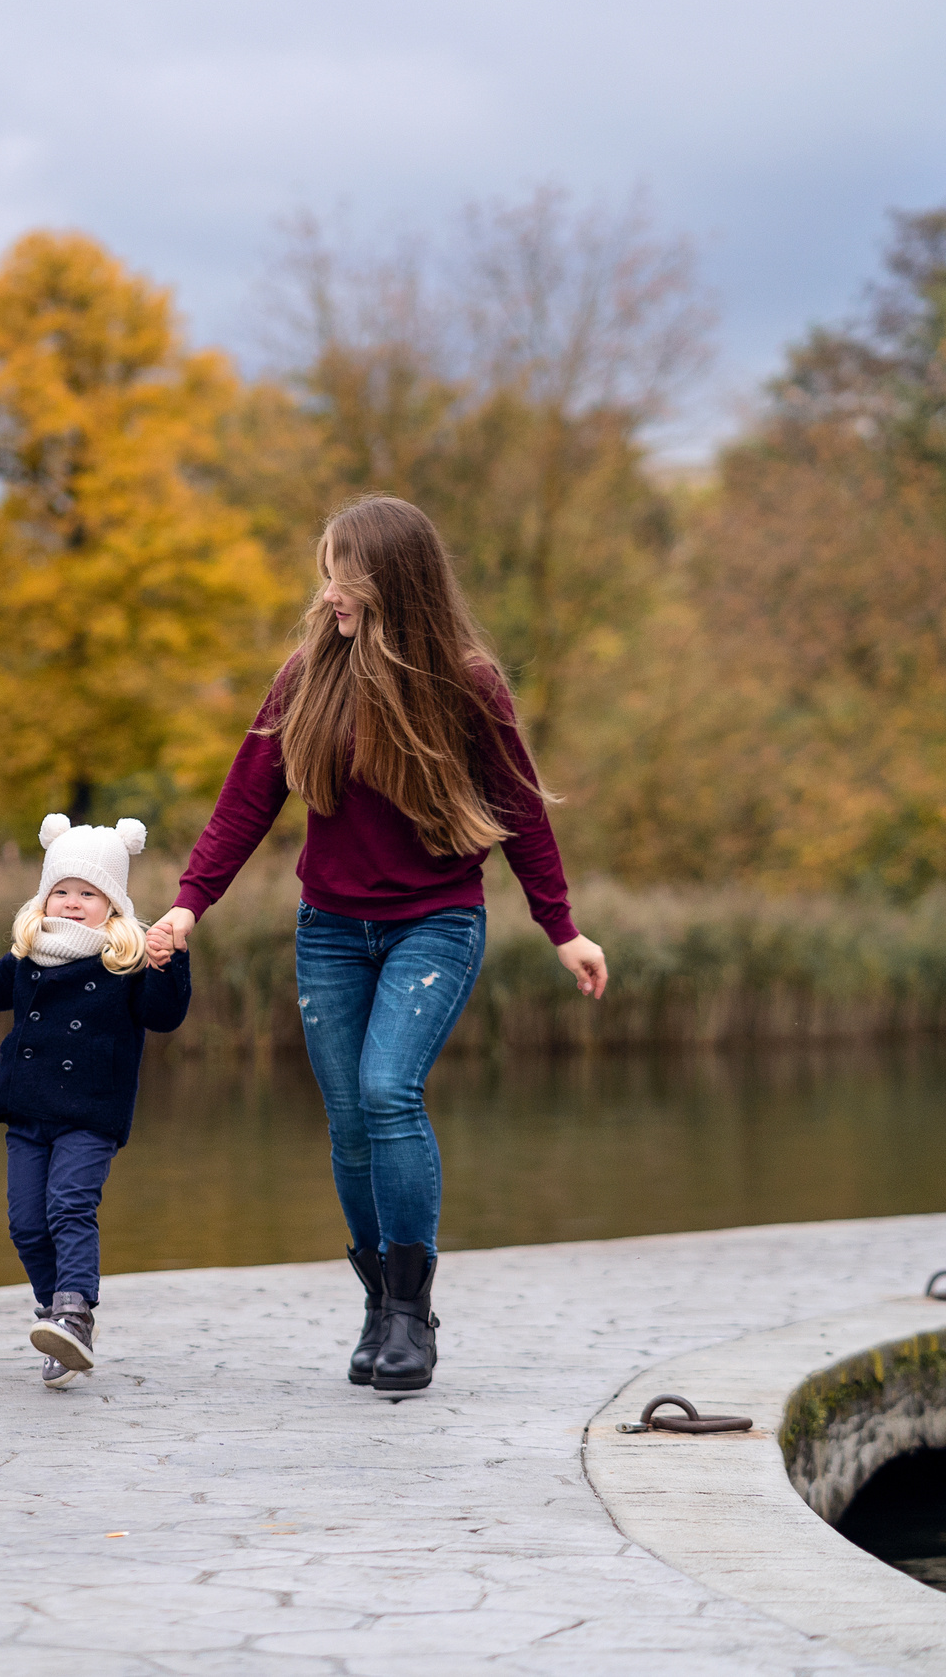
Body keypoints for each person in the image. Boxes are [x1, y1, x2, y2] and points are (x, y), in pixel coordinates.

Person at [147, 494, 606, 1395]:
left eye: (342, 574)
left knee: (388, 1091)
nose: (327, 595)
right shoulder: (305, 678)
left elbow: (518, 810)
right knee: (350, 1123)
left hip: (434, 921)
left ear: (393, 579)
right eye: (324, 573)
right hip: (329, 929)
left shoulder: (468, 685)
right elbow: (245, 803)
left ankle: (409, 1313)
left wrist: (563, 927)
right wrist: (187, 907)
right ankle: (374, 1303)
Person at [0, 816, 191, 1388]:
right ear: (45, 894)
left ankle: (75, 1311)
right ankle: (57, 1313)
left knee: (69, 1207)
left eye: (89, 893)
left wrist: (167, 963)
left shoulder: (123, 961)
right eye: (63, 890)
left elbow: (164, 1014)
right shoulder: (33, 955)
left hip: (90, 1114)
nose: (73, 903)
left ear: (113, 905)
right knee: (26, 1223)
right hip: (28, 1110)